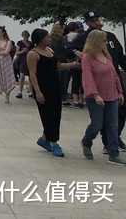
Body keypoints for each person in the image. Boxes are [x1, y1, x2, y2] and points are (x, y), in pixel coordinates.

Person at [75, 11, 126, 148]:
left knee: (120, 112)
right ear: (87, 23)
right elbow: (69, 49)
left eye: (97, 20)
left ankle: (114, 138)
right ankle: (107, 143)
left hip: (114, 79)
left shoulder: (110, 37)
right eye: (92, 21)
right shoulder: (85, 38)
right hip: (97, 83)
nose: (96, 23)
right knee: (100, 120)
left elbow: (121, 57)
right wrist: (76, 53)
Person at [27, 27, 79, 157]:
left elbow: (58, 66)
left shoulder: (50, 50)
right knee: (48, 116)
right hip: (43, 88)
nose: (50, 39)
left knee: (56, 114)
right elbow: (32, 74)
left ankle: (45, 139)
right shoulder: (33, 54)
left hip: (55, 87)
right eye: (47, 37)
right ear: (40, 39)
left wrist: (73, 65)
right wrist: (37, 92)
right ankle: (55, 143)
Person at [80, 29, 124, 163]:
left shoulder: (107, 56)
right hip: (95, 97)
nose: (106, 43)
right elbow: (87, 77)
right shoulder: (87, 57)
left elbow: (114, 74)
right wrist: (95, 95)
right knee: (97, 124)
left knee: (113, 125)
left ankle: (113, 153)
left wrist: (120, 91)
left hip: (112, 95)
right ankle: (87, 141)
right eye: (104, 40)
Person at [14, 30, 32, 98]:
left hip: (29, 60)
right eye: (24, 35)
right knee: (22, 77)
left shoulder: (31, 43)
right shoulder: (19, 43)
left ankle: (31, 92)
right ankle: (20, 91)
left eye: (26, 36)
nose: (25, 37)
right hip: (22, 60)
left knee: (31, 77)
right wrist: (23, 51)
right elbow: (17, 52)